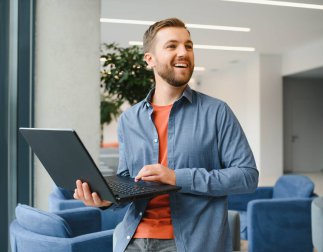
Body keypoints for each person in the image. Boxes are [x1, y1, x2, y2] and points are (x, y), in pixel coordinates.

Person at [74, 17, 259, 252]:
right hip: (131, 241)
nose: (184, 52)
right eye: (172, 46)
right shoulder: (129, 119)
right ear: (149, 59)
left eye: (188, 46)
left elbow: (247, 177)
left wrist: (176, 178)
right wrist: (107, 200)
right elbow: (128, 179)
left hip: (192, 243)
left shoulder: (216, 112)